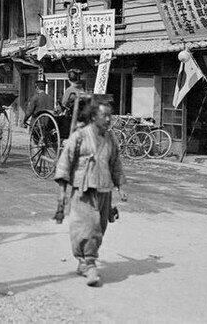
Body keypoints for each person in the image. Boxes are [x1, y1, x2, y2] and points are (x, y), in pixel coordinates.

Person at [54, 99, 127, 287]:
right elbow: (65, 162)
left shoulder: (110, 139)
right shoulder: (79, 136)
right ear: (94, 117)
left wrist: (120, 186)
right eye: (105, 115)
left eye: (111, 115)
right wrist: (61, 196)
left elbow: (116, 162)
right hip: (84, 189)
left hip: (104, 188)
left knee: (100, 227)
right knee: (88, 228)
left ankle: (83, 262)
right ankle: (89, 264)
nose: (109, 119)